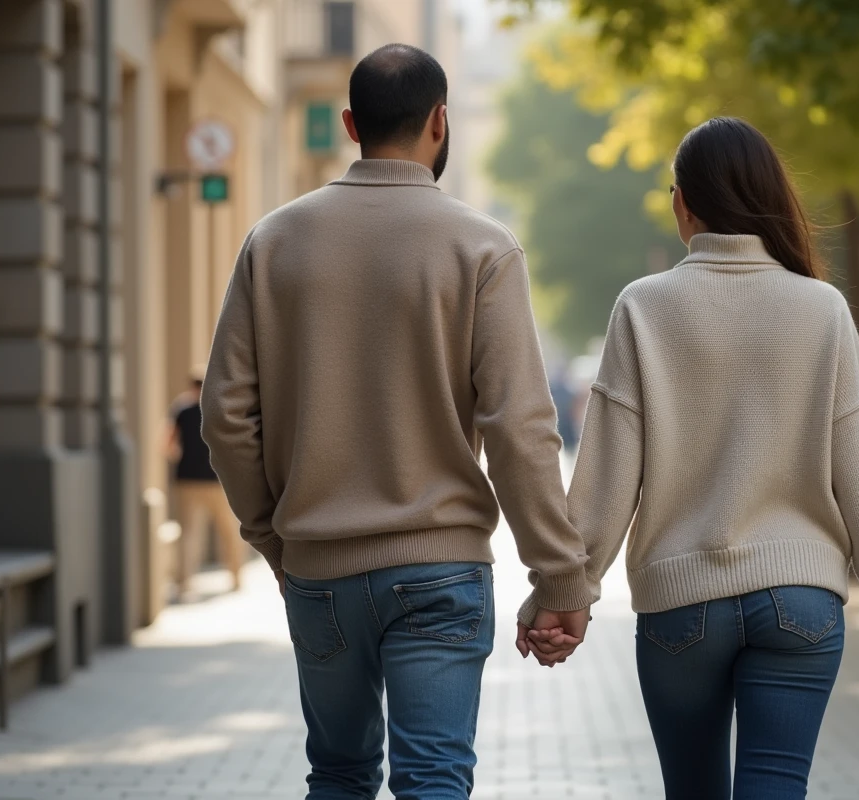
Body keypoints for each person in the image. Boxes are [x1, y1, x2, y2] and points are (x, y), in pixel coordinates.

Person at [200, 43, 591, 800]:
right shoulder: (482, 247)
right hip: (441, 569)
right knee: (434, 779)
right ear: (441, 122)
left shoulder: (273, 241)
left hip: (319, 568)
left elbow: (225, 416)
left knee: (338, 777)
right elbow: (520, 427)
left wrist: (272, 537)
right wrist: (558, 574)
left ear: (350, 123)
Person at [517, 117, 859, 799]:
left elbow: (608, 475)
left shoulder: (644, 307)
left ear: (684, 202)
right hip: (803, 600)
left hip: (682, 605)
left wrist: (565, 592)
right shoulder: (822, 309)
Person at [167, 366, 242, 595]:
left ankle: (184, 582)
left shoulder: (181, 410)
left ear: (191, 387)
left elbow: (167, 445)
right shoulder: (219, 409)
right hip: (218, 481)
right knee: (229, 530)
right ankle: (236, 577)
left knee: (188, 533)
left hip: (187, 480)